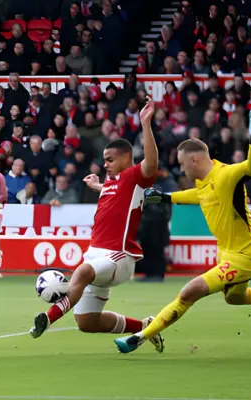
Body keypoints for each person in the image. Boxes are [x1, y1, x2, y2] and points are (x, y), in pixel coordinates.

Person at [114, 110, 251, 354]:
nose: (181, 170)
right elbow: (198, 196)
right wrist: (166, 197)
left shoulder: (227, 175)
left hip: (243, 256)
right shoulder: (203, 183)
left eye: (181, 164)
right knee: (235, 298)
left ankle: (140, 337)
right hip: (227, 254)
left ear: (194, 161)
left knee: (190, 291)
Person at [29, 98, 164, 352]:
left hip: (118, 256)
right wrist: (97, 186)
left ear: (126, 158)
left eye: (110, 159)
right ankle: (146, 326)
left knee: (80, 272)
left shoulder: (133, 177)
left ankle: (48, 318)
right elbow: (114, 190)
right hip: (97, 255)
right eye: (104, 159)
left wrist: (146, 124)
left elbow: (151, 164)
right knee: (87, 322)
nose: (105, 164)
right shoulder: (113, 183)